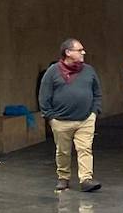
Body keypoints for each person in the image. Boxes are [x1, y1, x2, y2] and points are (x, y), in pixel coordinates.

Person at [39, 38, 102, 193]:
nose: (83, 52)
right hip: (61, 120)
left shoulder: (89, 70)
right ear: (68, 52)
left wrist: (94, 112)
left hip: (85, 118)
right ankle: (63, 177)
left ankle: (86, 179)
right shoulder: (53, 71)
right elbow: (44, 96)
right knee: (63, 151)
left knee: (85, 149)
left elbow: (97, 92)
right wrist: (51, 117)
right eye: (79, 50)